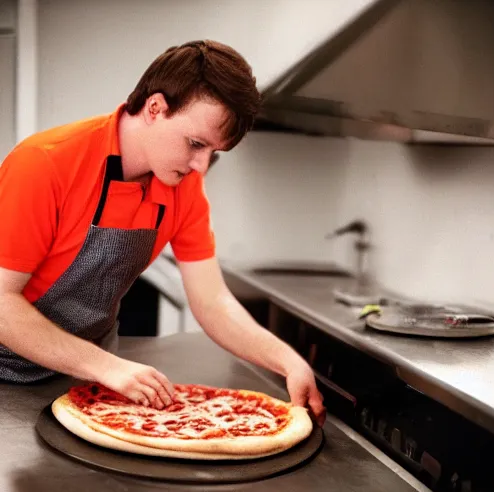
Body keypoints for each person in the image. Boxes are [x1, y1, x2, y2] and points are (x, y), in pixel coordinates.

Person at [0, 40, 326, 425]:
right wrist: (107, 366)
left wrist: (288, 362)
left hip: (84, 380)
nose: (201, 166)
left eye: (213, 153)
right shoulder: (46, 163)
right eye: (196, 144)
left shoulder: (182, 187)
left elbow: (212, 302)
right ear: (155, 108)